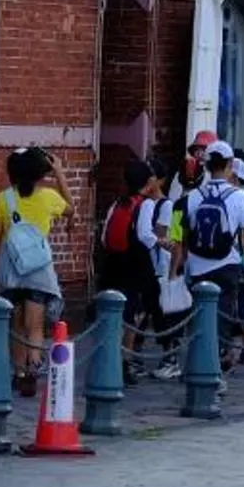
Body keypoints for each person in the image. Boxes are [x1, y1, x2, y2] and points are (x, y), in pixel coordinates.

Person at [172, 142, 244, 367]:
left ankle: (201, 365)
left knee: (200, 318)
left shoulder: (193, 197)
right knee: (223, 319)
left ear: (206, 166)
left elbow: (181, 237)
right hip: (227, 265)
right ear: (229, 165)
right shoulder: (238, 196)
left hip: (197, 267)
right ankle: (213, 369)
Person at [0, 145, 68, 396]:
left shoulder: (3, 198)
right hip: (39, 270)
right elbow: (71, 209)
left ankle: (18, 372)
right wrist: (60, 173)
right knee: (35, 324)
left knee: (16, 324)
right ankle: (33, 370)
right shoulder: (48, 197)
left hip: (11, 270)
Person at [93, 157, 166, 373]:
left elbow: (105, 236)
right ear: (148, 181)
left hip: (113, 262)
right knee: (135, 312)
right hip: (135, 262)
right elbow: (144, 234)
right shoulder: (147, 204)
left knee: (112, 310)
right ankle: (126, 360)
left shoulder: (119, 202)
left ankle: (109, 356)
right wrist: (160, 242)